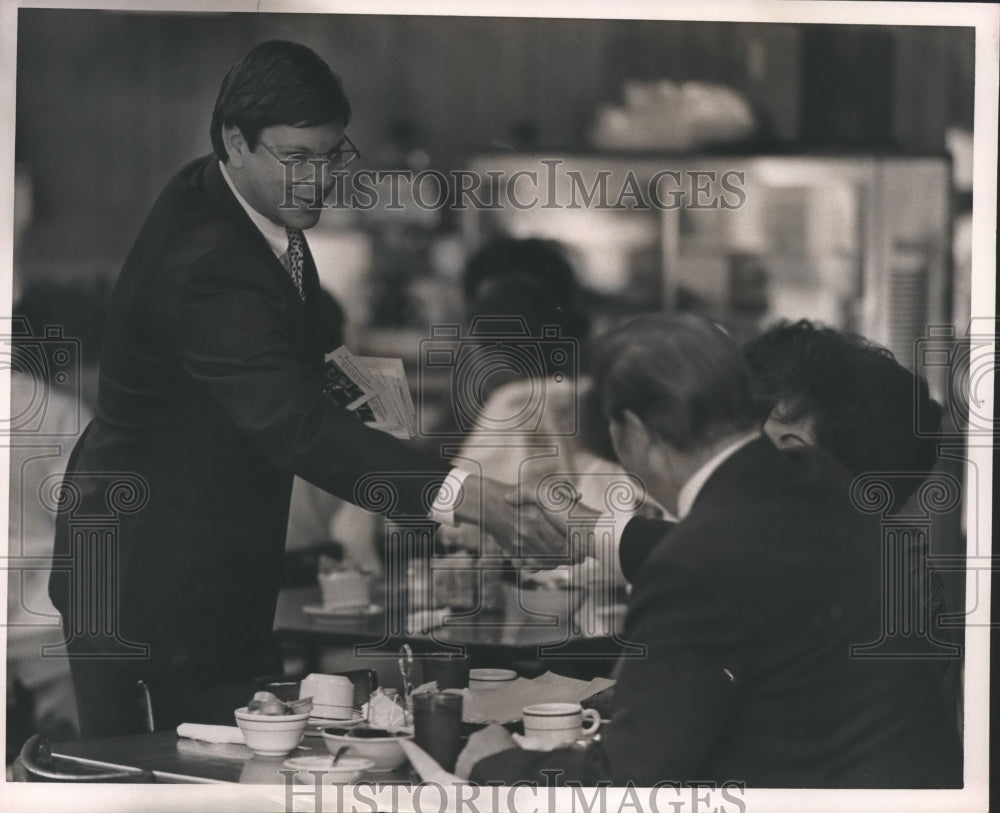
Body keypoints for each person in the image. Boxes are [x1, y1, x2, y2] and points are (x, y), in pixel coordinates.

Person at [47, 40, 565, 738]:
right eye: (296, 158)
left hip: (213, 570)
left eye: (331, 155)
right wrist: (459, 493)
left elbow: (286, 352)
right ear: (236, 139)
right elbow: (291, 422)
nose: (317, 180)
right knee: (159, 776)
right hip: (149, 587)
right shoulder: (207, 262)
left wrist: (352, 382)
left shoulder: (243, 203)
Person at [458, 313, 962, 787]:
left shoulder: (707, 560)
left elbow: (627, 781)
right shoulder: (851, 522)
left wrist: (494, 763)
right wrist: (587, 526)